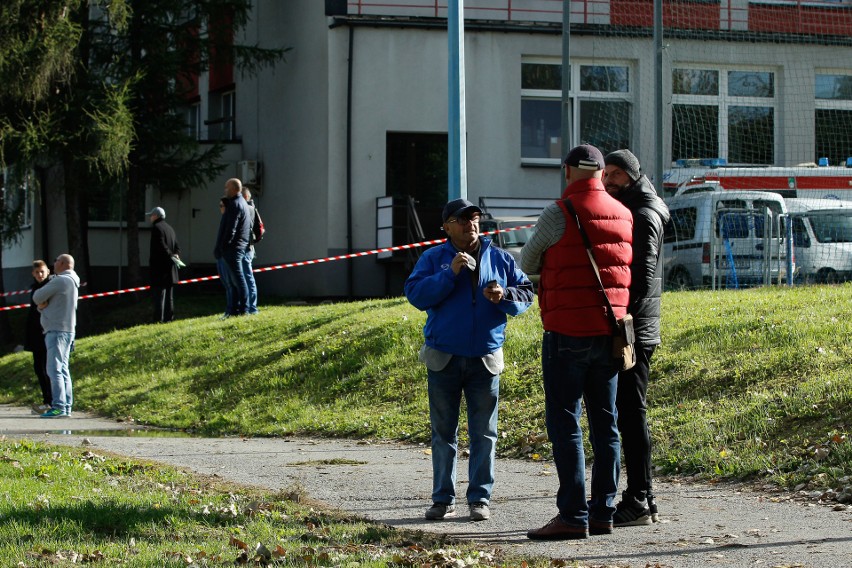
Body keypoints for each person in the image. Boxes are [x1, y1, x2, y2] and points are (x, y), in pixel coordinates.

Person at [521, 144, 633, 540]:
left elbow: (527, 261)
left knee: (566, 423)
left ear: (568, 171)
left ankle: (572, 515)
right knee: (607, 425)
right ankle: (602, 511)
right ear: (602, 173)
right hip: (609, 331)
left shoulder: (559, 212)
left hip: (567, 332)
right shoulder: (624, 213)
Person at [405, 198, 534, 522]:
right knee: (443, 435)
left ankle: (479, 499)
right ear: (446, 226)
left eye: (474, 218)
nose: (470, 224)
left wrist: (503, 296)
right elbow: (416, 295)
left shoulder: (501, 258)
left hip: (485, 360)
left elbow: (527, 293)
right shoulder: (433, 259)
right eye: (462, 220)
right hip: (444, 358)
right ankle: (442, 500)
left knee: (484, 434)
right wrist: (449, 274)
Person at [603, 149, 670, 526]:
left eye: (614, 174)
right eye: (605, 174)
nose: (608, 181)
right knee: (629, 411)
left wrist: (618, 314)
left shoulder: (644, 214)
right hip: (635, 325)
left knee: (631, 412)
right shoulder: (638, 205)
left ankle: (640, 498)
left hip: (634, 329)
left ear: (631, 175)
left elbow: (641, 278)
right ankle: (642, 496)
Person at [32, 254, 80, 418]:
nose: (53, 264)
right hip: (67, 330)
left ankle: (58, 406)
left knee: (54, 369)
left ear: (62, 263)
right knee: (63, 369)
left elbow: (37, 297)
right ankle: (66, 406)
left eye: (55, 261)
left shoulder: (60, 281)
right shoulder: (72, 281)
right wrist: (42, 306)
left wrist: (41, 306)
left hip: (56, 330)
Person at [214, 178, 252, 316]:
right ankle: (235, 310)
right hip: (236, 247)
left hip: (233, 249)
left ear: (235, 189)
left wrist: (223, 246)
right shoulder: (240, 203)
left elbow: (231, 229)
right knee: (235, 281)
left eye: (227, 188)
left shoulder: (236, 205)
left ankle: (244, 309)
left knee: (238, 280)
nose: (225, 190)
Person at [25, 260, 52, 414]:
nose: (40, 275)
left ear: (47, 271)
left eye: (42, 271)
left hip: (45, 329)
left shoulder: (50, 285)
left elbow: (44, 305)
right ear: (33, 274)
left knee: (47, 367)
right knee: (38, 367)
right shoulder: (35, 287)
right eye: (37, 272)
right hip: (35, 331)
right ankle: (46, 399)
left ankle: (51, 400)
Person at [147, 206, 181, 323]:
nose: (150, 217)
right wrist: (175, 255)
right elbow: (177, 246)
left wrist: (170, 255)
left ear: (156, 216)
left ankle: (158, 320)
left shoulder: (156, 228)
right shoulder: (170, 229)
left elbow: (161, 245)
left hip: (159, 269)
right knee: (169, 297)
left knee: (159, 296)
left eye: (151, 215)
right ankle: (169, 318)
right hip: (170, 269)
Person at [241, 187, 259, 315]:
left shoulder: (248, 209)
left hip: (246, 247)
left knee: (247, 277)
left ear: (245, 197)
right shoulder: (251, 208)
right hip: (249, 247)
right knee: (247, 276)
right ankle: (249, 307)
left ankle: (251, 307)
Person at [216, 198, 236, 317]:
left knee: (230, 284)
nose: (220, 208)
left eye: (221, 205)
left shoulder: (229, 218)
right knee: (227, 284)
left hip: (226, 254)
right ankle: (229, 309)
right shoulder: (224, 219)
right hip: (222, 254)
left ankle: (231, 309)